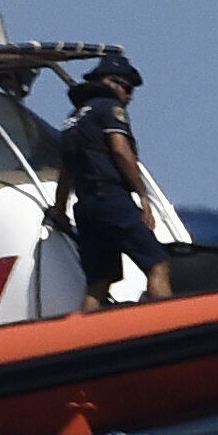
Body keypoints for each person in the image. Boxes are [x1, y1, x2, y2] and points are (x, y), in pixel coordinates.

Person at [57, 53, 162, 309]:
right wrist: (143, 196)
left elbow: (66, 170)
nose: (129, 97)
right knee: (158, 264)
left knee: (99, 282)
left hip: (86, 207)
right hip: (111, 200)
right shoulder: (108, 108)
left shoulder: (74, 118)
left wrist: (59, 210)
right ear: (109, 82)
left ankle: (84, 339)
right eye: (126, 88)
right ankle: (168, 328)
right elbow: (120, 151)